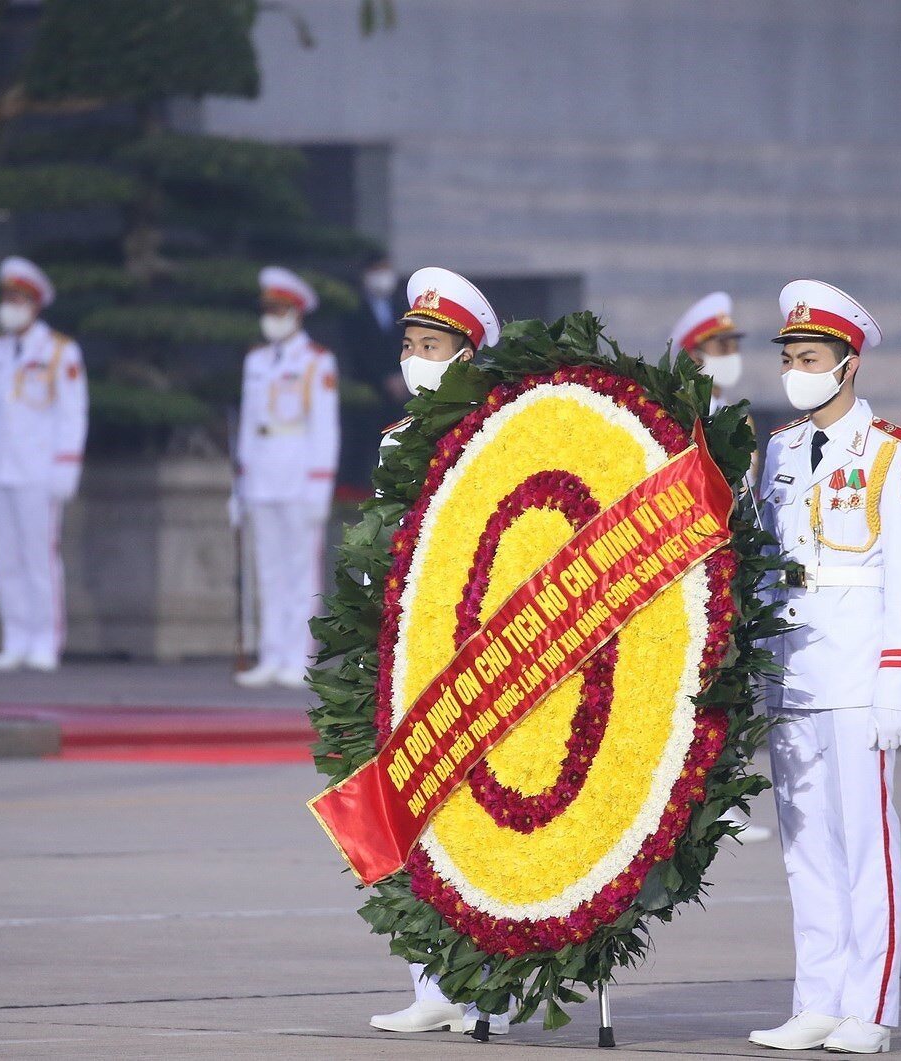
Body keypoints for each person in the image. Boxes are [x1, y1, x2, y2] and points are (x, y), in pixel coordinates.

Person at [749, 279, 901, 1054]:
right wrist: (758, 667)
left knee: (867, 847)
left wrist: (900, 684)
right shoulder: (783, 449)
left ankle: (872, 1006)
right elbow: (765, 566)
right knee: (806, 850)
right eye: (791, 355)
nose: (797, 367)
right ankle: (818, 998)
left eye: (811, 355)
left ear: (848, 362)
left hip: (861, 675)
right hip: (793, 671)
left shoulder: (895, 450)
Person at [367, 266, 510, 1038]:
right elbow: (378, 555)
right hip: (405, 657)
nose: (415, 357)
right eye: (411, 344)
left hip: (478, 653)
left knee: (482, 822)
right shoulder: (394, 441)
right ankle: (433, 982)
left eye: (432, 345)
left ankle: (496, 985)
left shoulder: (498, 430)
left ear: (466, 353)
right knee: (412, 820)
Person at [671, 292, 771, 845]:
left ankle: (722, 796)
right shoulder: (680, 416)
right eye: (719, 347)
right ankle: (691, 802)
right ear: (694, 353)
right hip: (692, 567)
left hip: (733, 563)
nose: (729, 355)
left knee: (731, 682)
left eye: (732, 345)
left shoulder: (740, 415)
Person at [0, 257, 88, 673]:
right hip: (2, 466)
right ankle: (15, 636)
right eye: (6, 298)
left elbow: (72, 413)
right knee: (5, 558)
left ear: (35, 304)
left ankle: (44, 639)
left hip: (39, 470)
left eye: (17, 299)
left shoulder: (59, 351)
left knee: (39, 558)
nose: (9, 306)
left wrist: (66, 466)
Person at [231, 266, 340, 689]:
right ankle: (271, 654)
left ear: (297, 313)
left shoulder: (316, 362)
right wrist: (239, 487)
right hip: (261, 478)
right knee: (268, 571)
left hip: (298, 474)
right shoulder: (256, 360)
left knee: (300, 573)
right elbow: (247, 427)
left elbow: (324, 427)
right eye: (268, 310)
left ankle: (298, 656)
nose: (271, 317)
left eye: (279, 310)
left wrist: (319, 485)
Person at [339, 251, 408, 483]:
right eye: (377, 271)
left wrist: (402, 376)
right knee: (364, 449)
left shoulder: (402, 307)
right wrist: (383, 378)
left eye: (386, 269)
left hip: (401, 392)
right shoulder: (353, 310)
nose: (383, 277)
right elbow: (356, 350)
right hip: (367, 390)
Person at [671, 290, 746, 415]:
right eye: (723, 347)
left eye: (736, 347)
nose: (732, 355)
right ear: (694, 357)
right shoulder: (676, 414)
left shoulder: (737, 416)